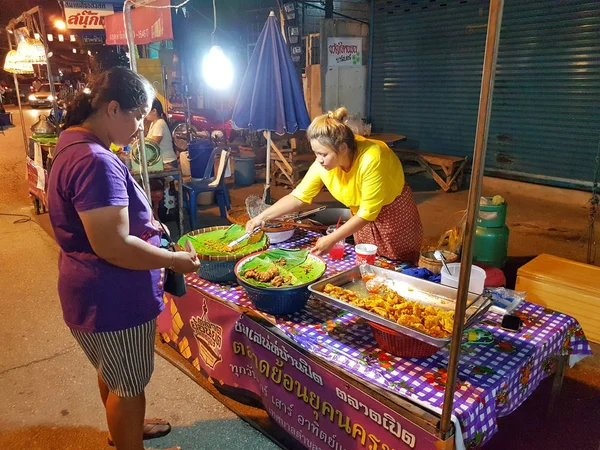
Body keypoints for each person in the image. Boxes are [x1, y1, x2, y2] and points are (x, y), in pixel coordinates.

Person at [47, 67, 198, 450]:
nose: (140, 129)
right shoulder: (95, 160)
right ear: (113, 108)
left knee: (115, 375)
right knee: (129, 386)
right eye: (137, 117)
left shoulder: (71, 143)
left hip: (90, 292)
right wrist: (172, 261)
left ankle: (124, 430)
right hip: (113, 298)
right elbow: (113, 246)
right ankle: (128, 437)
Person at [246, 107, 423, 263]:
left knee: (396, 266)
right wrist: (261, 217)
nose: (319, 160)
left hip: (393, 215)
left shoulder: (372, 158)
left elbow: (368, 213)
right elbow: (299, 196)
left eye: (323, 154)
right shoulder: (324, 164)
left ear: (343, 148)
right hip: (360, 218)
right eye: (316, 153)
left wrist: (331, 239)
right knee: (366, 264)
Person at [146, 98, 177, 167]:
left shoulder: (159, 124)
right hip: (162, 162)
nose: (145, 113)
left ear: (154, 111)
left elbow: (153, 146)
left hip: (168, 163)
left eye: (146, 110)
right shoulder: (153, 123)